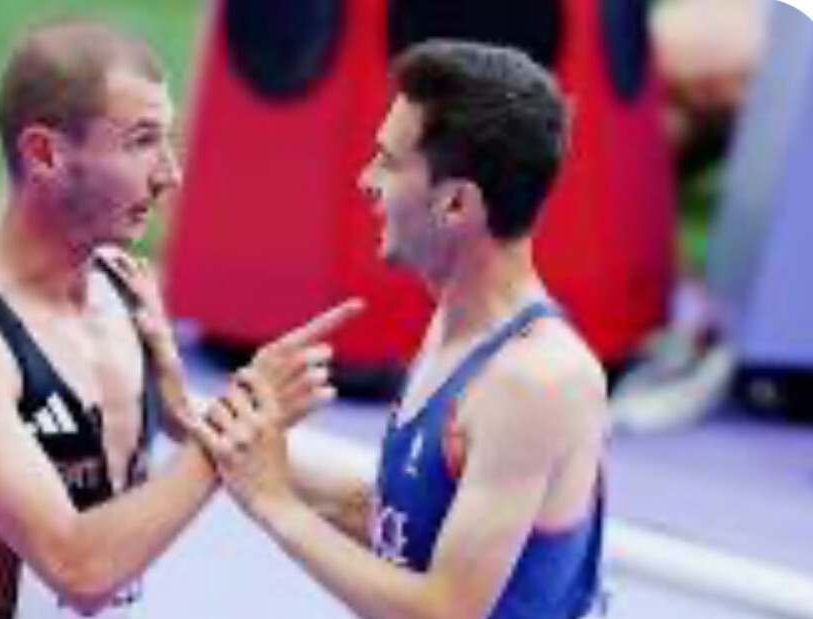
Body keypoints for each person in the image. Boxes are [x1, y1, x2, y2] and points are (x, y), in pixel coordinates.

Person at [0, 16, 360, 618]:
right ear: (45, 153)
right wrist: (237, 423)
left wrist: (198, 424)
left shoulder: (124, 291)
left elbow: (194, 451)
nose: (170, 173)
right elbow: (79, 570)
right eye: (140, 142)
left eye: (166, 141)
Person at [192, 40, 610, 619]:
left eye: (388, 162)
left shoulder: (535, 379)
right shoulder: (458, 326)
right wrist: (216, 428)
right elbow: (403, 524)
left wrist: (276, 503)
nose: (366, 180)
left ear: (456, 204)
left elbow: (444, 611)